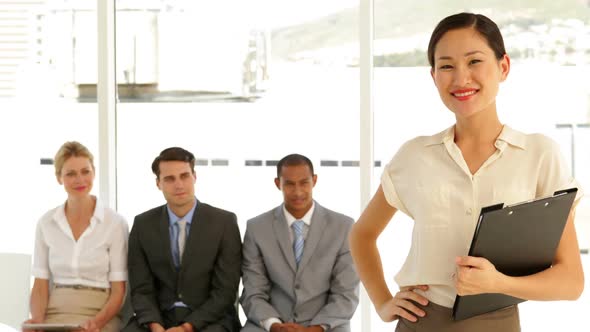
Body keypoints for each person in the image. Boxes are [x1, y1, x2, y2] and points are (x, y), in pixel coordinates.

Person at [349, 12, 585, 332]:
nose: (461, 79)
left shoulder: (539, 155)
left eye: (474, 61)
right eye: (446, 66)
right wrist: (382, 302)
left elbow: (570, 282)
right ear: (433, 76)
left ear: (503, 67)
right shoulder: (414, 155)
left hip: (499, 322)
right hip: (421, 323)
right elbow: (362, 235)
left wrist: (499, 282)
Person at [123, 147, 241, 332]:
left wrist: (187, 328)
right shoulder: (142, 224)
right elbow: (141, 289)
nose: (179, 185)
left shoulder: (224, 223)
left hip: (209, 320)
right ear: (158, 183)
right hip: (158, 319)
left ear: (195, 176)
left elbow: (225, 292)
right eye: (169, 179)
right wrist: (155, 326)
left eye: (184, 176)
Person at [240, 154, 359, 332]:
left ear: (315, 181)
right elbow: (253, 291)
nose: (297, 192)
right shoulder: (257, 228)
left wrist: (316, 328)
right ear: (277, 183)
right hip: (271, 324)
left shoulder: (343, 227)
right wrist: (274, 325)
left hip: (326, 325)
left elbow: (346, 293)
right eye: (289, 184)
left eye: (304, 182)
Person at [25, 141, 128, 332]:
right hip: (54, 312)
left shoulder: (115, 223)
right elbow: (40, 285)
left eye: (85, 171)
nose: (80, 179)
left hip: (100, 313)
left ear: (94, 173)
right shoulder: (46, 223)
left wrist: (96, 323)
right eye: (70, 174)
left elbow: (119, 291)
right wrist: (37, 321)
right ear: (59, 178)